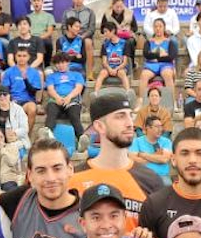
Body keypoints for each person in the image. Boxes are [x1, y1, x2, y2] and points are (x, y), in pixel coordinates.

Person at [67, 90, 166, 230]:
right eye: (120, 116)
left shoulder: (151, 180)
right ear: (99, 126)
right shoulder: (73, 179)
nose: (130, 123)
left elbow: (159, 235)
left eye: (130, 115)